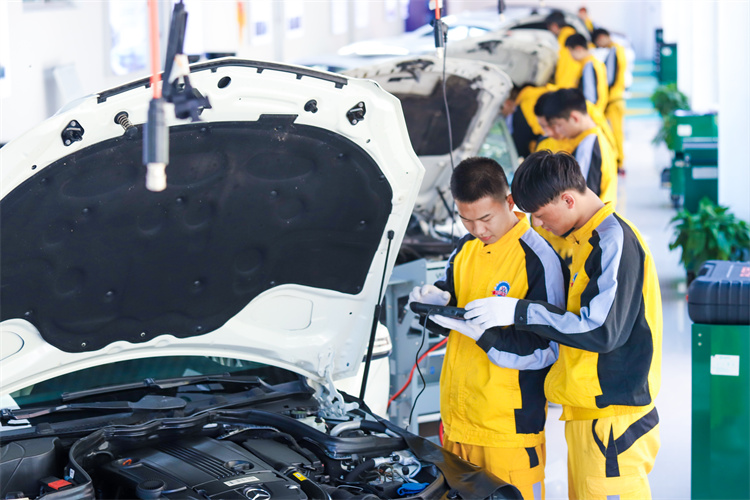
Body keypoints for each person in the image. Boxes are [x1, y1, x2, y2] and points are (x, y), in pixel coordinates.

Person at [462, 150, 663, 500]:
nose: (539, 225)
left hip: (614, 422)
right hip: (590, 416)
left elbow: (600, 329)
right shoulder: (586, 241)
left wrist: (519, 312)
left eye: (540, 215)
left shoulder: (612, 240)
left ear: (568, 199)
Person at [408, 156, 567, 500]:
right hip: (457, 424)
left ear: (509, 202)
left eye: (485, 218)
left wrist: (485, 336)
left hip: (507, 430)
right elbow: (451, 321)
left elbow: (547, 349)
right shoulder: (464, 250)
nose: (478, 230)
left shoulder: (538, 258)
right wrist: (431, 306)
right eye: (466, 219)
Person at [541, 88, 618, 208]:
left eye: (559, 125)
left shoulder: (588, 147)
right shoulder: (595, 137)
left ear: (574, 118)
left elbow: (580, 200)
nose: (558, 131)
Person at [593, 27, 628, 175]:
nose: (600, 47)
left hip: (614, 100)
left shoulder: (614, 50)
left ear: (602, 37)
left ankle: (619, 162)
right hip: (617, 98)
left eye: (598, 43)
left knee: (616, 132)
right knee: (616, 132)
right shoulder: (618, 50)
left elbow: (611, 77)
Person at [564, 33, 609, 115]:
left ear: (578, 49)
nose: (570, 56)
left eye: (570, 51)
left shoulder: (589, 65)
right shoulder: (593, 62)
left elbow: (590, 97)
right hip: (595, 113)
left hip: (591, 114)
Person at [545, 11, 581, 89]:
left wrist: (560, 87)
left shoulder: (565, 38)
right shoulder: (570, 34)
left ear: (554, 25)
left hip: (566, 85)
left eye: (549, 28)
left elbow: (566, 64)